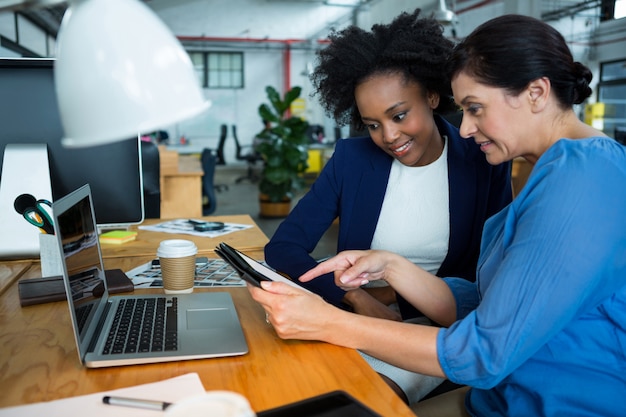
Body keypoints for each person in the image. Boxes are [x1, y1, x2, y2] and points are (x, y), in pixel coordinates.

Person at [249, 14, 626, 416]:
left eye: (476, 108)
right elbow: (486, 306)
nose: (464, 128)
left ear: (536, 93)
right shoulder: (560, 170)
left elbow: (483, 351)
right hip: (502, 396)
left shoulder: (582, 179)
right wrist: (392, 266)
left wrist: (329, 322)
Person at [263, 9, 512, 404]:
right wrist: (358, 298)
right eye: (373, 124)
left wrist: (394, 300)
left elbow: (490, 271)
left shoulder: (482, 161)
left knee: (363, 401)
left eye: (399, 115)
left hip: (428, 329)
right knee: (283, 390)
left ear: (431, 96)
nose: (389, 136)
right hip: (348, 315)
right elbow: (283, 247)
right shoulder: (352, 160)